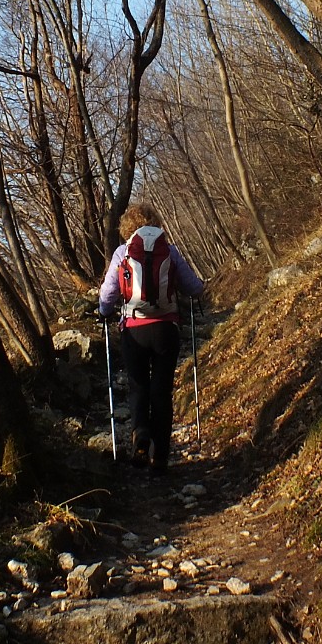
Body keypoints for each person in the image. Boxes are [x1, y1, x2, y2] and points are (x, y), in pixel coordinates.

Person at [98, 203, 204, 473]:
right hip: (166, 330)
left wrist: (103, 311)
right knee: (161, 391)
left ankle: (140, 436)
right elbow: (194, 287)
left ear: (126, 228)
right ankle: (161, 457)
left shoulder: (122, 253)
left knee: (138, 387)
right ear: (155, 223)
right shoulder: (168, 250)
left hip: (134, 331)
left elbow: (108, 294)